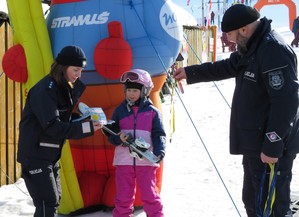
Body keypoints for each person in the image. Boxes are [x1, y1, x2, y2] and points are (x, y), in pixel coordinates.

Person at [173, 4, 299, 217]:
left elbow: (286, 102)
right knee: (252, 202)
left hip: (270, 148)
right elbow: (226, 67)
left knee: (271, 208)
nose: (229, 40)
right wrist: (189, 72)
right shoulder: (252, 46)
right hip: (254, 144)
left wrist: (272, 145)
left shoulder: (272, 50)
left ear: (244, 29)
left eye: (230, 34)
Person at [17, 45, 102, 217]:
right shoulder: (45, 90)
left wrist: (86, 118)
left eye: (81, 70)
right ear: (63, 67)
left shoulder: (62, 88)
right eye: (76, 69)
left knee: (54, 200)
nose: (79, 75)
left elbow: (64, 118)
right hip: (36, 156)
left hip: (50, 155)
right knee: (47, 202)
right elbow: (53, 126)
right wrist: (86, 128)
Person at [106, 69, 166, 217]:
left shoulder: (152, 112)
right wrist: (118, 138)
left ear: (144, 91)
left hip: (146, 161)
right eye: (129, 90)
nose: (131, 94)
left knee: (150, 196)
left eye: (135, 90)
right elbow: (111, 134)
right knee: (123, 197)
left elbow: (159, 134)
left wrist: (160, 151)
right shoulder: (120, 111)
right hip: (124, 161)